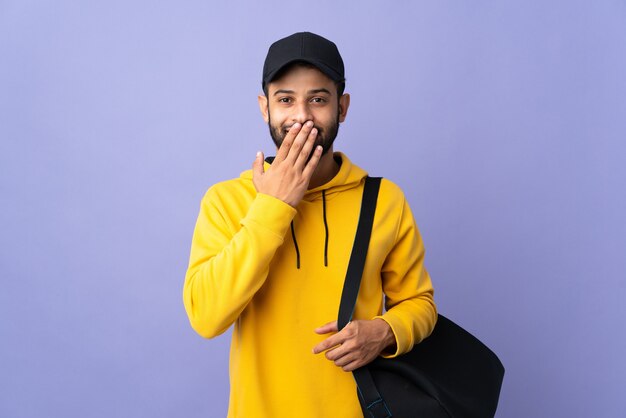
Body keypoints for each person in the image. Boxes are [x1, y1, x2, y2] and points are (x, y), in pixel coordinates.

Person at [183, 31, 437, 418]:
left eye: (317, 99)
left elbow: (419, 303)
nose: (301, 115)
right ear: (264, 107)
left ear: (342, 107)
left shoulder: (385, 200)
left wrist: (385, 332)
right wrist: (273, 206)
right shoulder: (225, 200)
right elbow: (206, 316)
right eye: (285, 100)